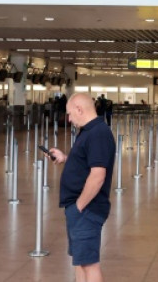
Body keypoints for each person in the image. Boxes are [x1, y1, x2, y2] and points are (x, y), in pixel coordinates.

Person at [47, 93, 116, 282]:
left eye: (70, 114)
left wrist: (79, 206)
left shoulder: (98, 133)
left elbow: (98, 175)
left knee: (89, 264)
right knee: (80, 261)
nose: (68, 119)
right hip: (78, 209)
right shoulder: (88, 132)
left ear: (79, 109)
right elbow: (87, 163)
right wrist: (65, 158)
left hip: (87, 210)